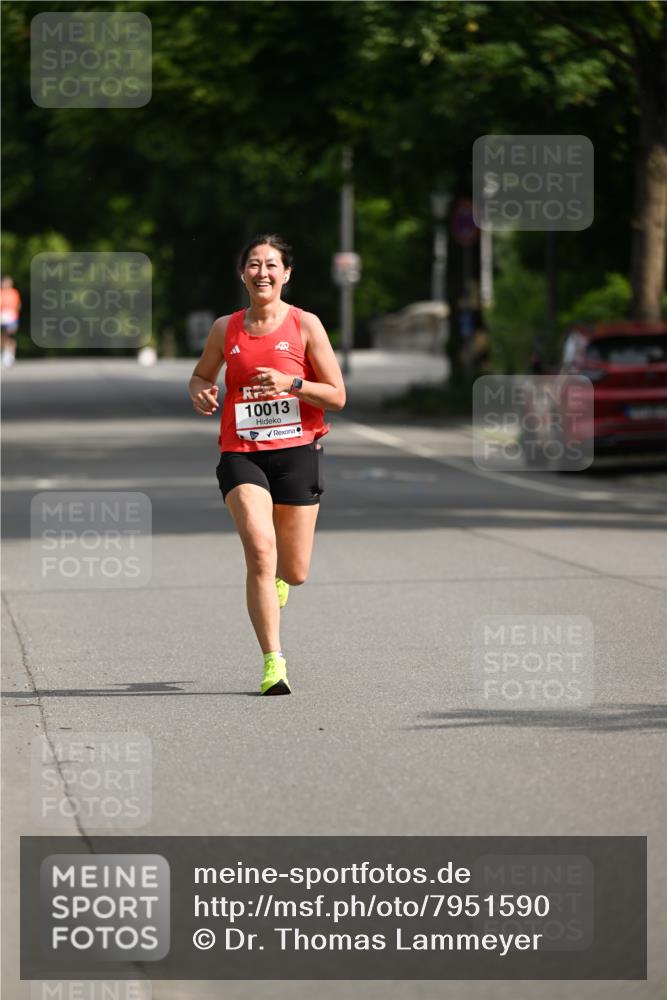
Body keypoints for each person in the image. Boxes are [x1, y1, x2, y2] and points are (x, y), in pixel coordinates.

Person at [188, 235, 346, 695]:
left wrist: (291, 382)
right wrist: (199, 388)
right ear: (242, 273)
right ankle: (273, 662)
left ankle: (281, 579)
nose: (262, 272)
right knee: (260, 550)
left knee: (293, 570)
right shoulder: (226, 329)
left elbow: (336, 396)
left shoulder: (305, 325)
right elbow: (202, 374)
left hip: (297, 450)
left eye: (271, 265)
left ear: (287, 274)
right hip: (242, 452)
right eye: (253, 264)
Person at [1, 276, 21, 368]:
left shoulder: (14, 293)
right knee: (3, 336)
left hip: (12, 317)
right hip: (2, 316)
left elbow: (18, 305)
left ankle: (10, 355)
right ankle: (4, 354)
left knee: (10, 336)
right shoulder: (1, 293)